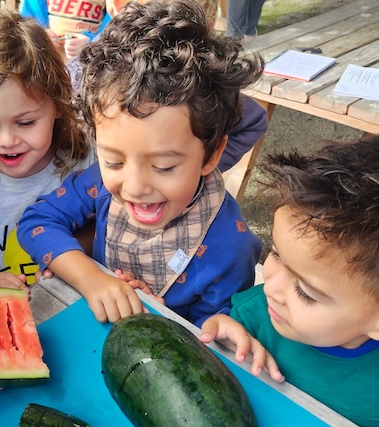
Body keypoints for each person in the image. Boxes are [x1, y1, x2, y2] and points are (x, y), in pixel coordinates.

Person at [18, 0, 263, 326]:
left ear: (212, 155)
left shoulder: (230, 248)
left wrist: (163, 321)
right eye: (113, 161)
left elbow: (215, 339)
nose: (133, 186)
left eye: (163, 167)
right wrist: (92, 278)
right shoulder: (97, 184)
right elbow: (36, 222)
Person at [200, 138, 379, 427]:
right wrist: (220, 335)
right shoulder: (255, 316)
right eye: (276, 254)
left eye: (305, 292)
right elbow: (218, 349)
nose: (270, 287)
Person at [0, 8, 96, 291]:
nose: (7, 140)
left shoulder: (86, 158)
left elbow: (106, 230)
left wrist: (58, 254)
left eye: (25, 122)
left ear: (58, 105)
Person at [65, 0, 267, 174]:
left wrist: (195, 168)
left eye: (164, 166)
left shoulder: (194, 83)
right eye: (115, 161)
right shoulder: (82, 71)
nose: (137, 187)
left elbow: (253, 119)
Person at [20, 0, 107, 61]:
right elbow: (26, 23)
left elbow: (115, 23)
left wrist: (92, 41)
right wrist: (39, 34)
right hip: (48, 65)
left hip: (91, 66)